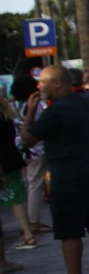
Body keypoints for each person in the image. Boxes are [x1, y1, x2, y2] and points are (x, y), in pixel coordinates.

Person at [22, 66, 89, 274]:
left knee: (69, 231)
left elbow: (27, 139)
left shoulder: (55, 110)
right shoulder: (88, 103)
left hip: (67, 177)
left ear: (57, 83)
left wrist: (30, 111)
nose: (39, 86)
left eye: (43, 81)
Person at [10, 60, 47, 240]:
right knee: (35, 184)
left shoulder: (11, 106)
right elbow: (41, 125)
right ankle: (33, 221)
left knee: (24, 185)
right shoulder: (35, 105)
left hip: (16, 150)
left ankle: (25, 221)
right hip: (35, 149)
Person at [0, 95, 36, 254]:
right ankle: (28, 233)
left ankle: (27, 235)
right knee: (17, 200)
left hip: (3, 165)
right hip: (11, 160)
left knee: (14, 199)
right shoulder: (6, 114)